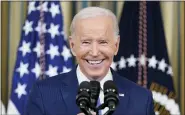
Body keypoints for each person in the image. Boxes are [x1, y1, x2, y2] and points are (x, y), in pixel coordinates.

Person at [25, 7, 155, 115]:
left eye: (103, 42)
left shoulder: (142, 99)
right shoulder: (43, 94)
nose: (94, 52)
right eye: (86, 42)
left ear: (116, 45)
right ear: (72, 45)